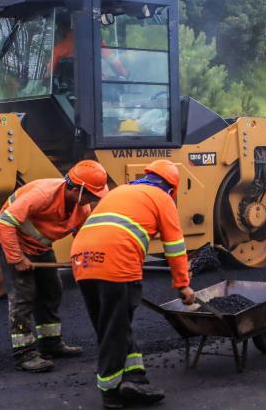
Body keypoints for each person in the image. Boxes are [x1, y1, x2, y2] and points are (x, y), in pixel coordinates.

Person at [70, 159, 195, 408]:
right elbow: (175, 246)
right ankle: (110, 392)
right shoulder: (162, 198)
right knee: (114, 331)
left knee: (111, 325)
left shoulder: (121, 190)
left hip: (81, 260)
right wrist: (182, 285)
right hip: (116, 262)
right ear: (171, 188)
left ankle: (134, 378)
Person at [0, 160, 110, 373]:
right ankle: (24, 354)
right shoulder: (41, 195)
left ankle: (50, 343)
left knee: (52, 291)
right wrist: (17, 258)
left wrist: (85, 261)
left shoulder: (81, 208)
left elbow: (84, 237)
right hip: (12, 242)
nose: (93, 201)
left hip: (39, 246)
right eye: (91, 195)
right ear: (76, 189)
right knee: (23, 295)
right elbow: (4, 223)